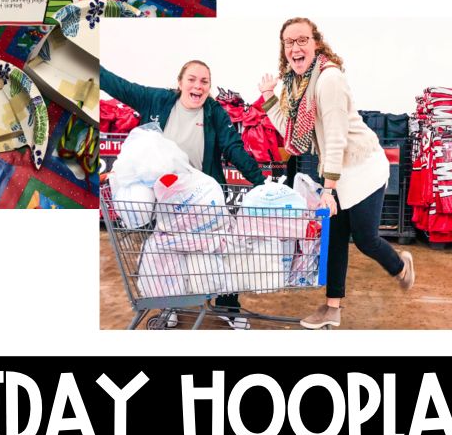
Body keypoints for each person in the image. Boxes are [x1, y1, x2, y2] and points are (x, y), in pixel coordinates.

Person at [258, 18, 415, 330]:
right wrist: (268, 96)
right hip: (337, 172)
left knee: (366, 239)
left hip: (362, 165)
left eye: (302, 39)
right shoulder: (296, 85)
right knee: (336, 238)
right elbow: (293, 135)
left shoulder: (328, 79)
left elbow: (335, 138)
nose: (295, 47)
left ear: (316, 43)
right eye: (289, 42)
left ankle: (401, 266)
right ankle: (332, 309)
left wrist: (327, 191)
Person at [101, 59, 265, 328]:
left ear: (209, 87)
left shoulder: (213, 112)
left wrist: (261, 184)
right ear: (180, 83)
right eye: (192, 79)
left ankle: (229, 307)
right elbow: (120, 87)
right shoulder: (157, 100)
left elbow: (233, 148)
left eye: (204, 81)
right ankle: (170, 304)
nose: (197, 86)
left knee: (217, 251)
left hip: (202, 198)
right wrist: (90, 67)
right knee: (168, 253)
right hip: (165, 200)